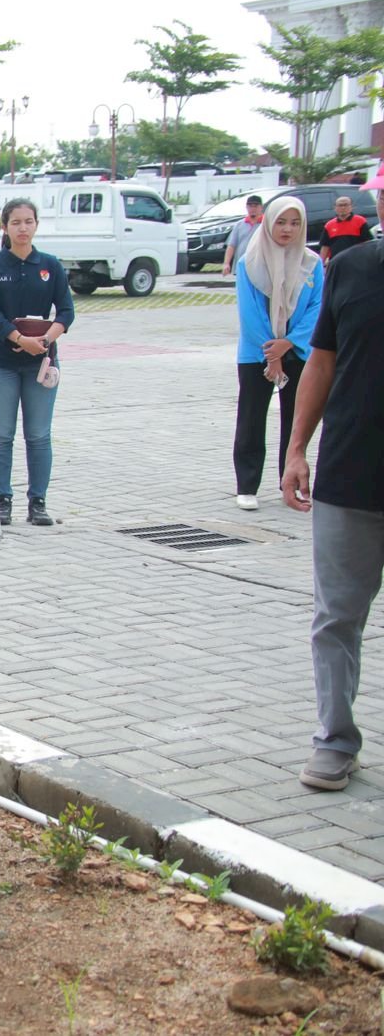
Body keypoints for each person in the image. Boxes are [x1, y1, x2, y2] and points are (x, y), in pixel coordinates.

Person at [279, 172, 384, 792]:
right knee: (336, 619)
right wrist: (296, 447)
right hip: (349, 473)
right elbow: (322, 361)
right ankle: (334, 739)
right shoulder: (352, 268)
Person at [0, 198, 74, 528]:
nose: (22, 228)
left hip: (41, 363)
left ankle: (38, 502)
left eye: (28, 221)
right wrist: (20, 340)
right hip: (0, 363)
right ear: (5, 227)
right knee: (1, 435)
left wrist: (45, 341)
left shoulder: (50, 265)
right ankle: (1, 500)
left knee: (39, 436)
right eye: (16, 222)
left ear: (36, 225)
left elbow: (66, 311)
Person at [231, 195, 323, 511]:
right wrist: (272, 350)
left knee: (296, 421)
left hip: (298, 352)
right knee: (251, 417)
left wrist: (291, 342)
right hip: (257, 354)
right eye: (281, 222)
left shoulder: (312, 263)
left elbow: (317, 308)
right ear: (270, 222)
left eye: (295, 223)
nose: (287, 229)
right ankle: (246, 485)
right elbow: (251, 314)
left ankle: (291, 482)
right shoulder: (250, 262)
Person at [319, 195, 373, 264]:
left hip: (357, 261)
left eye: (346, 205)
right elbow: (325, 247)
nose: (343, 207)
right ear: (335, 208)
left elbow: (368, 243)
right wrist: (321, 264)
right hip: (336, 262)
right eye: (340, 205)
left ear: (351, 207)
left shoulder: (360, 221)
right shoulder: (329, 225)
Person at [221, 195, 264, 276]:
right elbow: (231, 245)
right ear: (246, 207)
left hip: (259, 266)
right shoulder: (239, 225)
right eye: (250, 206)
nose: (253, 209)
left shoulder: (266, 224)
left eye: (255, 206)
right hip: (241, 264)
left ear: (261, 207)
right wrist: (226, 263)